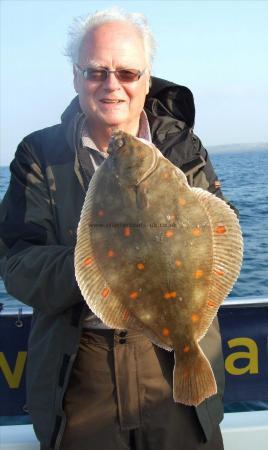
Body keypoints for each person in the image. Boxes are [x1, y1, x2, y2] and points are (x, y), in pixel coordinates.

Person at [0, 8, 229, 450]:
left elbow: (217, 237)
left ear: (146, 79)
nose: (112, 85)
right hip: (81, 377)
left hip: (171, 370)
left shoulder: (182, 148)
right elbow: (18, 264)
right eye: (95, 72)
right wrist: (102, 263)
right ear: (75, 77)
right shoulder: (39, 155)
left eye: (126, 72)